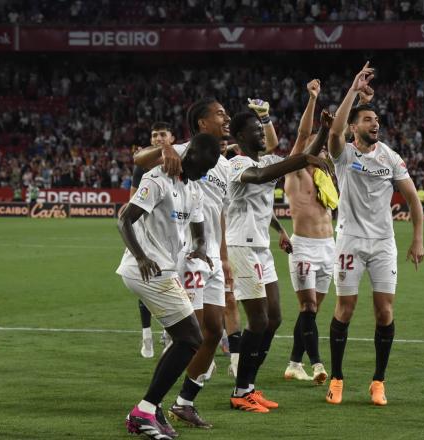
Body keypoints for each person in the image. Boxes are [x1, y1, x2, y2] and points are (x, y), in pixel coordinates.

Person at [325, 64, 424, 407]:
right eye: (367, 120)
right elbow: (335, 129)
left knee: (385, 311)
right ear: (355, 127)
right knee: (345, 309)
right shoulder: (343, 154)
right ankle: (337, 378)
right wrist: (353, 90)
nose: (375, 124)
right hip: (350, 240)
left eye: (377, 120)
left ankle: (378, 382)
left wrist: (417, 238)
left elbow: (413, 199)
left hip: (383, 244)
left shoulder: (391, 158)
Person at [134, 98, 233, 429]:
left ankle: (182, 402)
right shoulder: (185, 151)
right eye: (219, 114)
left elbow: (212, 211)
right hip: (182, 258)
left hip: (210, 255)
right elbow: (138, 159)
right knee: (189, 336)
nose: (226, 117)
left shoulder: (222, 159)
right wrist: (166, 149)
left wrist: (217, 251)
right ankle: (152, 405)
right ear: (202, 123)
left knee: (213, 331)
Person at [118, 133, 221, 440]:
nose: (206, 172)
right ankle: (144, 411)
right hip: (147, 270)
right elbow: (125, 220)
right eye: (205, 165)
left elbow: (199, 229)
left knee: (183, 339)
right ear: (190, 154)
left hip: (166, 270)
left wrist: (201, 247)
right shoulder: (158, 178)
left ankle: (151, 408)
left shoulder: (194, 188)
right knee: (191, 338)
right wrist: (140, 256)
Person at [226, 110, 330, 413]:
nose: (262, 134)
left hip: (261, 247)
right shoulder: (238, 164)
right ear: (241, 137)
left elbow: (304, 156)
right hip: (241, 246)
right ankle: (240, 391)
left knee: (274, 318)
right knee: (258, 320)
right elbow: (261, 177)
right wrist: (304, 159)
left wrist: (323, 131)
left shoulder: (267, 162)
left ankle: (249, 386)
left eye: (262, 128)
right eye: (256, 130)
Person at [282, 79, 336, 385]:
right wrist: (313, 100)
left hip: (329, 247)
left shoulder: (325, 180)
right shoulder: (295, 171)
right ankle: (316, 364)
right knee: (309, 306)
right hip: (303, 248)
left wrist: (330, 132)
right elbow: (304, 137)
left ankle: (293, 363)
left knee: (310, 314)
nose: (322, 153)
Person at [129, 122, 176, 358]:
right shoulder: (143, 164)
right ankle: (147, 335)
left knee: (172, 283)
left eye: (162, 134)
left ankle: (169, 333)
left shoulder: (178, 160)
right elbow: (132, 201)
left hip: (173, 233)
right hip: (146, 233)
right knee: (146, 283)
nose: (158, 137)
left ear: (172, 137)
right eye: (154, 134)